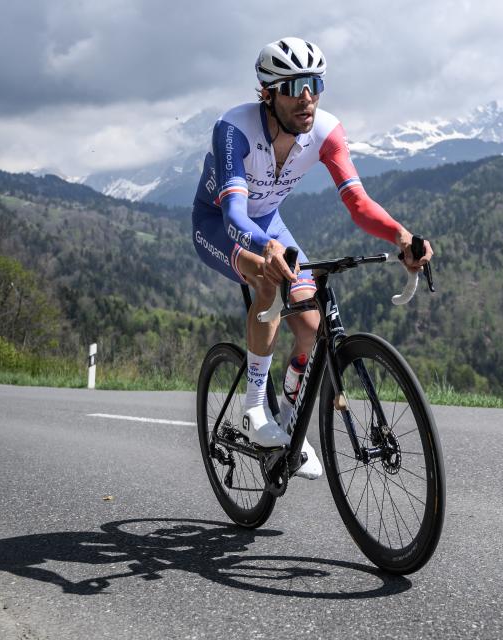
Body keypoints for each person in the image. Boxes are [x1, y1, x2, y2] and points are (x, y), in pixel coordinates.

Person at [191, 37, 433, 480]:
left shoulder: (326, 131)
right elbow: (234, 213)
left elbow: (358, 203)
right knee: (267, 278)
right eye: (295, 85)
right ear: (267, 93)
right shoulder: (234, 128)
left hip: (271, 224)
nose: (308, 96)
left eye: (315, 82)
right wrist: (264, 248)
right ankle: (253, 409)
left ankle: (288, 417)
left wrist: (401, 236)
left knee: (310, 325)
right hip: (220, 225)